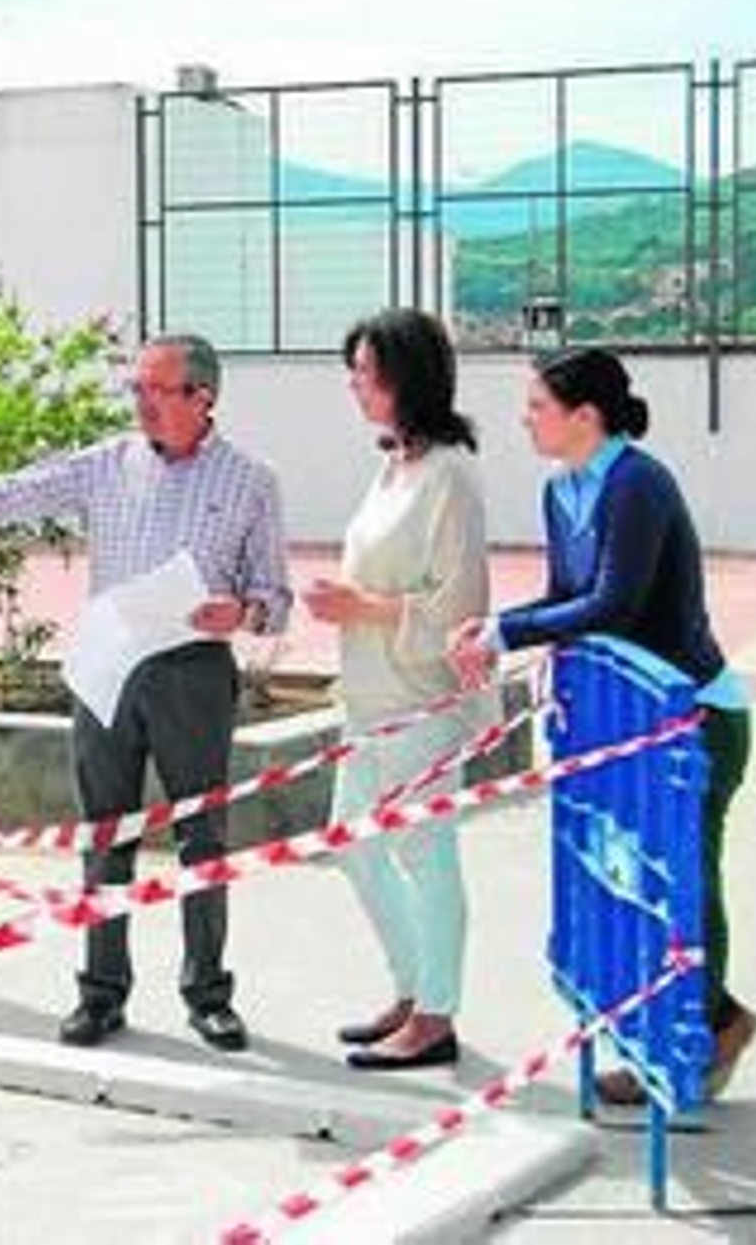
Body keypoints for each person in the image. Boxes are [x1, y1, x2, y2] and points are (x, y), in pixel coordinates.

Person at [0, 333, 292, 1052]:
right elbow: (8, 493)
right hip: (108, 668)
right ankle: (101, 994)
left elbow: (275, 596)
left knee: (202, 838)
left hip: (192, 672)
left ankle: (207, 994)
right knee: (106, 836)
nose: (141, 404)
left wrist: (243, 613)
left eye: (157, 391)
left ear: (203, 398)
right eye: (135, 389)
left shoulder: (252, 481)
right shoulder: (108, 463)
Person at [448, 346, 756, 1104]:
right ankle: (693, 1027)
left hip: (695, 714)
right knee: (628, 878)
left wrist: (502, 633)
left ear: (585, 416)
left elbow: (614, 602)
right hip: (631, 718)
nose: (525, 418)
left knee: (682, 877)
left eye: (537, 406)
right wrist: (499, 631)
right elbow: (567, 593)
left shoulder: (639, 483)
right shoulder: (562, 490)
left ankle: (703, 1034)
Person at [304, 309, 495, 1071]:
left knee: (424, 847)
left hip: (419, 698)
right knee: (352, 838)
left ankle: (437, 1011)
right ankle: (415, 987)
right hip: (369, 692)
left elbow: (460, 603)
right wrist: (348, 600)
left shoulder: (450, 473)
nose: (356, 386)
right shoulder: (393, 464)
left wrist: (361, 607)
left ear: (405, 378)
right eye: (352, 371)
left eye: (367, 372)